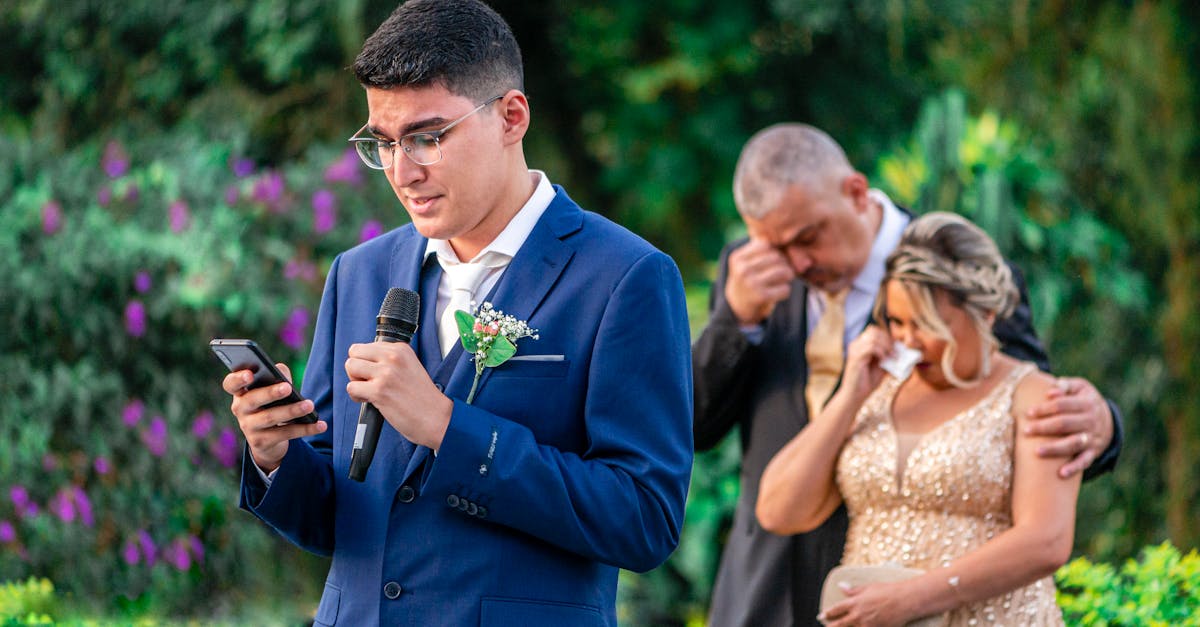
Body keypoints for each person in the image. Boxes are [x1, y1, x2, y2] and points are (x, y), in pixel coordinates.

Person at [220, 1, 693, 625]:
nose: (401, 171)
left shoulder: (626, 278)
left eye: (427, 137)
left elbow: (643, 519)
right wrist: (274, 455)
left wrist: (448, 427)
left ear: (511, 117)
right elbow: (337, 519)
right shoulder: (358, 274)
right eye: (382, 143)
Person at [692, 123, 1123, 627]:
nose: (797, 263)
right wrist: (733, 323)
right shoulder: (749, 275)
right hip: (765, 586)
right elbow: (693, 426)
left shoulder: (969, 277)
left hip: (930, 600)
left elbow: (1019, 416)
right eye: (776, 247)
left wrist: (1104, 425)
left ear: (855, 192)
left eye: (807, 238)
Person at [757, 211, 1080, 625]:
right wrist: (848, 398)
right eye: (896, 321)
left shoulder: (1034, 395)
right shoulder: (876, 391)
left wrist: (913, 598)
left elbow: (1046, 541)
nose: (908, 340)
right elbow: (778, 512)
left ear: (985, 314)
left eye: (927, 324)